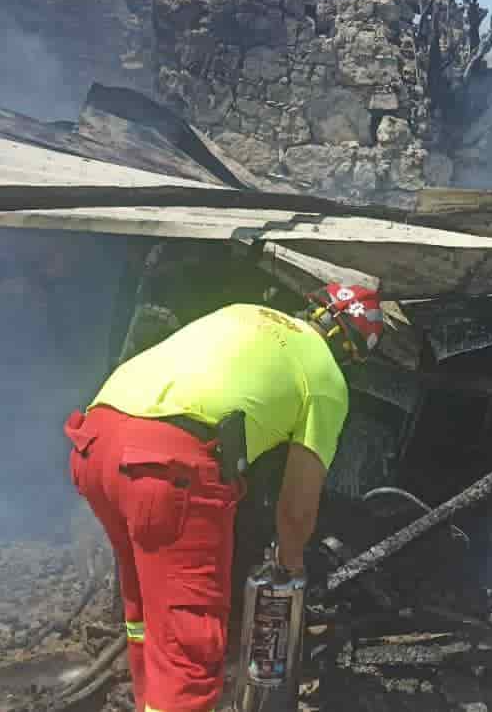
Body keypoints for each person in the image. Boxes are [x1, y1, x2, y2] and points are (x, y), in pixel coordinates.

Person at [63, 282, 383, 712]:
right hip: (166, 470)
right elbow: (297, 505)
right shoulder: (326, 378)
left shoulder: (241, 311)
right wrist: (290, 568)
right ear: (353, 351)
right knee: (191, 647)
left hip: (95, 443)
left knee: (144, 612)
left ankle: (147, 703)